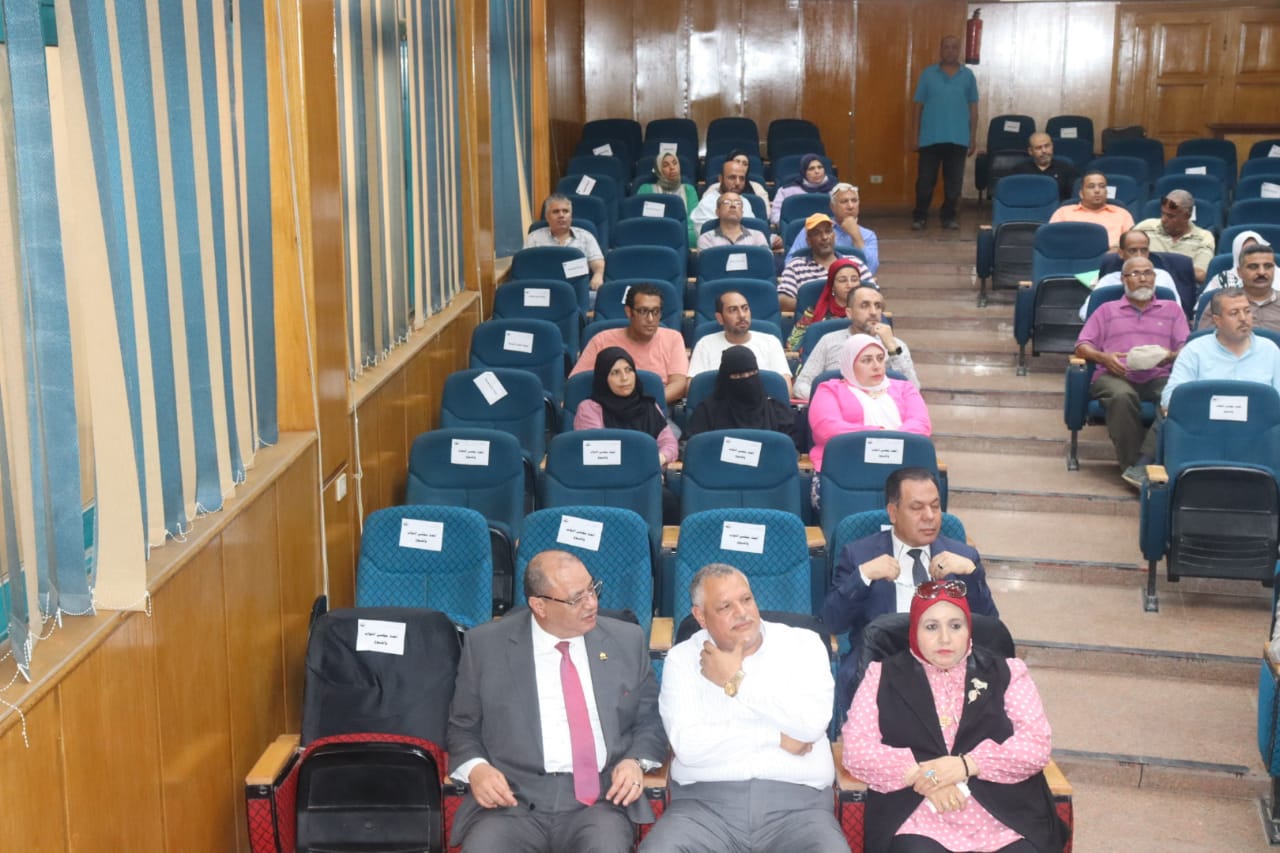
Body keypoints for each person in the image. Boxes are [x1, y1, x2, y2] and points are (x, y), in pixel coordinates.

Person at [447, 550, 666, 852]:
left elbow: (651, 720)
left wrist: (635, 761)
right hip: (511, 801)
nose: (592, 603)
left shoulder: (627, 640)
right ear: (539, 605)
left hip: (600, 800)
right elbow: (462, 727)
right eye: (576, 599)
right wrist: (477, 769)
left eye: (592, 589)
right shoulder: (486, 646)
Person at [841, 580, 1066, 853]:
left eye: (955, 626)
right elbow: (856, 750)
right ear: (914, 631)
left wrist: (967, 765)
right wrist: (926, 777)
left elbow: (1035, 744)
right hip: (917, 813)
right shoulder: (881, 676)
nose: (945, 638)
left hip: (1005, 815)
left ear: (969, 629)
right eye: (931, 627)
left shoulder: (1008, 672)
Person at [638, 564, 850, 853]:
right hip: (702, 812)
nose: (742, 612)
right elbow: (688, 746)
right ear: (700, 616)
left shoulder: (804, 645)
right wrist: (776, 737)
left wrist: (734, 681)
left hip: (800, 811)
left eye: (746, 599)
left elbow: (811, 725)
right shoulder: (682, 658)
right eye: (725, 606)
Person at [822, 467, 997, 717]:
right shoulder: (859, 554)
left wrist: (972, 574)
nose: (930, 516)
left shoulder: (963, 556)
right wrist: (863, 577)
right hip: (879, 665)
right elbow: (831, 621)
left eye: (935, 506)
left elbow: (990, 626)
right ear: (893, 513)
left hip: (948, 664)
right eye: (917, 508)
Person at [1073, 255, 1189, 488]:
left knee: (1177, 398)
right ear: (1123, 279)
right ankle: (1134, 467)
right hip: (1114, 374)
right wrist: (1104, 357)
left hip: (1159, 375)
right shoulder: (1106, 310)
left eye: (1148, 273)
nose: (1143, 279)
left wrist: (1169, 355)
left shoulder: (1172, 309)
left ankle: (1142, 464)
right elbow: (1082, 346)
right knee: (1122, 396)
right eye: (1136, 274)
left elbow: (1187, 348)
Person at [808, 335, 931, 476]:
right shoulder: (829, 389)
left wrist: (887, 439)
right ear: (850, 364)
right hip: (845, 465)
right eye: (866, 360)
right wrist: (880, 434)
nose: (877, 366)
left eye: (880, 358)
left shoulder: (905, 388)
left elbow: (921, 425)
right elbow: (827, 428)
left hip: (903, 467)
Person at [794, 280, 919, 397]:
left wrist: (893, 349)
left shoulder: (896, 345)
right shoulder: (828, 341)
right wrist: (832, 399)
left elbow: (913, 389)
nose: (873, 312)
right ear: (849, 313)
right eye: (865, 305)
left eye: (878, 306)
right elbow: (801, 385)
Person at [572, 283, 689, 403]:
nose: (650, 319)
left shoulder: (673, 338)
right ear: (629, 312)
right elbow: (577, 383)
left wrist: (643, 406)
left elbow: (679, 385)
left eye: (655, 311)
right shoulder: (601, 340)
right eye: (643, 311)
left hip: (655, 406)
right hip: (609, 407)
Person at [1167, 288, 1280, 410]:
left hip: (1259, 420)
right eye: (1234, 313)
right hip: (1205, 419)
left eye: (1247, 311)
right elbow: (1170, 397)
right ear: (1217, 320)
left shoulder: (1270, 350)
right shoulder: (1194, 351)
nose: (1243, 318)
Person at [911, 35, 979, 231]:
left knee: (954, 184)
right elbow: (918, 106)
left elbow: (973, 108)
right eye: (946, 47)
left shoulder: (968, 75)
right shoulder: (928, 74)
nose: (950, 51)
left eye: (954, 47)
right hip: (930, 138)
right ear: (941, 50)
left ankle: (948, 217)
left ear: (959, 50)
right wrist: (914, 135)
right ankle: (920, 216)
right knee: (925, 182)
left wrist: (973, 137)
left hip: (958, 138)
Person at [685, 346, 803, 452]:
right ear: (725, 378)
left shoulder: (776, 411)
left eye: (752, 373)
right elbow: (689, 447)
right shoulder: (707, 411)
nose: (747, 380)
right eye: (739, 375)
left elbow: (791, 449)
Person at [575, 347, 678, 467]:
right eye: (615, 372)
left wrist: (660, 458)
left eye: (629, 370)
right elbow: (597, 453)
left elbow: (669, 443)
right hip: (606, 474)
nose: (624, 378)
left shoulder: (648, 405)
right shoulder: (589, 409)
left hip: (647, 473)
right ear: (603, 378)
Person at [687, 290, 792, 393]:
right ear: (720, 318)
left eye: (745, 308)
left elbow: (786, 390)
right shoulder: (705, 344)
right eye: (733, 310)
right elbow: (692, 390)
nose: (742, 315)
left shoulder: (771, 342)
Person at [777, 213, 872, 313]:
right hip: (814, 320)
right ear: (808, 241)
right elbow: (782, 300)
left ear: (834, 236)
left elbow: (875, 294)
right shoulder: (795, 266)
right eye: (817, 233)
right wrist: (820, 309)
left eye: (828, 231)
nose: (824, 237)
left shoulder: (854, 262)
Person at [784, 182, 881, 273]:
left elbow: (871, 270)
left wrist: (856, 236)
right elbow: (790, 262)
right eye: (844, 201)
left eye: (854, 201)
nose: (851, 206)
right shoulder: (814, 228)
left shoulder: (868, 235)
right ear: (832, 207)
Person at [787, 256, 878, 352]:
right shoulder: (813, 311)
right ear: (832, 286)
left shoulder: (870, 312)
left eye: (854, 280)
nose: (850, 285)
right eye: (843, 280)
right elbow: (792, 344)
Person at [525, 193, 605, 290]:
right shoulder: (534, 238)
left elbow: (597, 262)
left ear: (571, 216)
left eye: (565, 211)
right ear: (547, 216)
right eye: (556, 212)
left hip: (577, 289)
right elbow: (525, 266)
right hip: (543, 288)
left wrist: (598, 275)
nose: (561, 215)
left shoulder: (586, 237)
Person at [1135, 190, 1217, 283]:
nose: (1163, 219)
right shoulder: (1145, 227)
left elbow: (1201, 275)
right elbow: (1122, 251)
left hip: (1182, 287)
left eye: (1171, 216)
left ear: (1187, 216)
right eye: (1162, 213)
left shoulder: (1203, 237)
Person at [1197, 244, 1280, 331]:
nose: (1261, 272)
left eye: (1268, 266)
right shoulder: (1221, 303)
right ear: (1239, 272)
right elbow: (1204, 337)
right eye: (1253, 267)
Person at [1048, 170, 1133, 250]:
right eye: (1091, 186)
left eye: (1102, 186)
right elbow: (1051, 240)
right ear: (1081, 193)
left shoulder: (1122, 214)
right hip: (1073, 257)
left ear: (1106, 192)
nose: (1097, 190)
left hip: (1111, 258)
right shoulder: (1063, 213)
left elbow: (1132, 244)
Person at [638, 152, 700, 248]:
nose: (672, 167)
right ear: (659, 170)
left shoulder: (688, 190)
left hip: (683, 237)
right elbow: (642, 222)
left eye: (675, 163)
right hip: (653, 237)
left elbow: (692, 224)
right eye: (665, 165)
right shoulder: (646, 189)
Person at [771, 153, 839, 226]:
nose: (817, 171)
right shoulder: (786, 191)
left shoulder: (837, 190)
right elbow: (775, 214)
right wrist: (788, 226)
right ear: (804, 172)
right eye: (811, 169)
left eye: (820, 167)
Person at [1011, 132, 1078, 201]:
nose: (1044, 151)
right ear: (1030, 151)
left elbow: (1074, 197)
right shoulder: (1019, 171)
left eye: (1047, 146)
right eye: (1038, 148)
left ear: (1052, 146)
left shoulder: (1066, 169)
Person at [1202, 230, 1275, 294]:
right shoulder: (1222, 279)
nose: (1261, 272)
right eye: (1247, 251)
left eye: (1256, 249)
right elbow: (1203, 302)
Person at [696, 191, 770, 252]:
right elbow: (707, 264)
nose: (733, 205)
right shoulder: (706, 239)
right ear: (717, 212)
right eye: (727, 202)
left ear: (742, 212)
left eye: (738, 203)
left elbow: (766, 261)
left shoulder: (757, 236)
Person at [690, 159, 751, 230]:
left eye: (742, 179)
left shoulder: (745, 202)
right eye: (732, 177)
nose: (738, 183)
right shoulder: (706, 204)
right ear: (720, 179)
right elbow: (704, 234)